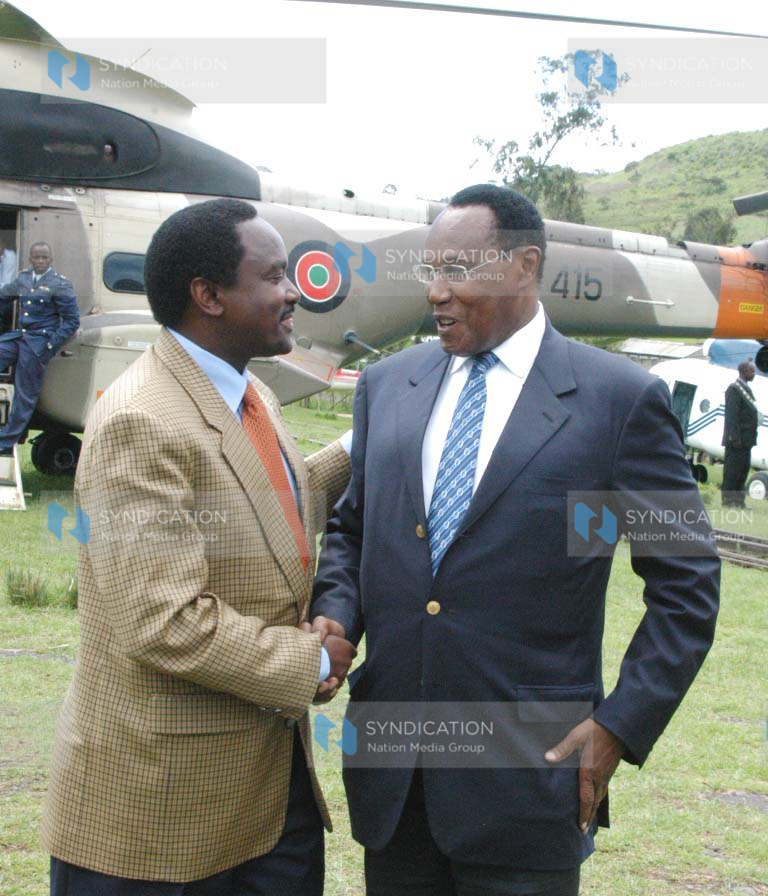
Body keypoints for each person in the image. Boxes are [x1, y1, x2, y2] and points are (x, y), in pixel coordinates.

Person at [311, 184, 720, 896]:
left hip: (531, 778)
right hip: (393, 774)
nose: (436, 293)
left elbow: (686, 584)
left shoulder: (618, 402)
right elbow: (351, 529)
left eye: (458, 271)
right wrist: (337, 612)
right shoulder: (388, 386)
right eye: (428, 271)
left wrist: (619, 725)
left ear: (524, 266)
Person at [43, 198, 356, 895]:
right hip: (156, 820)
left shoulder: (247, 394)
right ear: (208, 296)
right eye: (274, 276)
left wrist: (363, 443)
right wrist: (310, 661)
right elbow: (165, 621)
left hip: (261, 805)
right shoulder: (139, 420)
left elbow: (267, 503)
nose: (294, 291)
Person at [0, 242, 79, 457]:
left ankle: (5, 442)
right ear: (30, 260)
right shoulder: (24, 278)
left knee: (25, 395)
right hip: (20, 337)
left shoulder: (60, 284)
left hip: (38, 343)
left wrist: (50, 346)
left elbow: (72, 321)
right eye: (37, 257)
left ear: (50, 260)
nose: (41, 261)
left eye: (45, 258)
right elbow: (4, 297)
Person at [721, 360, 759, 507]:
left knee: (742, 471)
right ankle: (728, 500)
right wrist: (734, 438)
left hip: (746, 440)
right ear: (744, 372)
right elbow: (732, 416)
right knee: (732, 472)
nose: (754, 374)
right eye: (752, 371)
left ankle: (738, 500)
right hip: (736, 440)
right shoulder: (734, 389)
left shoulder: (746, 389)